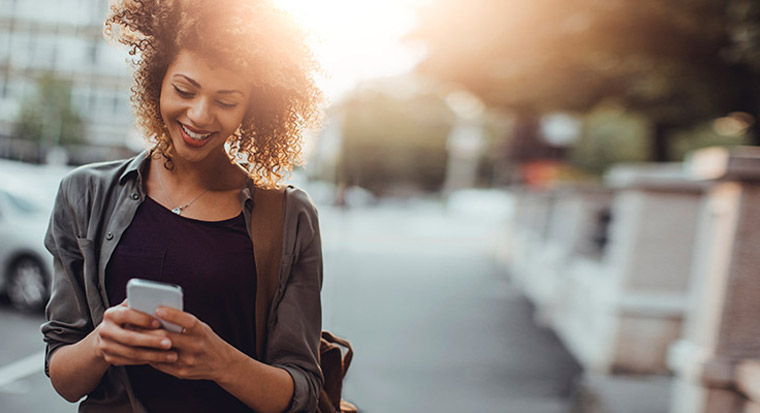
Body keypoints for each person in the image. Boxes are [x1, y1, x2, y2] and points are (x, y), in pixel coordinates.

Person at [40, 0, 324, 411]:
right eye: (184, 91)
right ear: (157, 78)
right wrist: (103, 342)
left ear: (254, 106)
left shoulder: (289, 217)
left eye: (226, 101)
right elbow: (65, 379)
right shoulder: (83, 194)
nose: (199, 115)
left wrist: (221, 362)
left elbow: (303, 391)